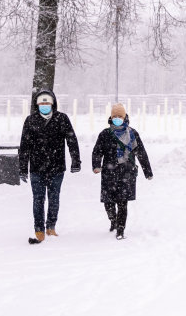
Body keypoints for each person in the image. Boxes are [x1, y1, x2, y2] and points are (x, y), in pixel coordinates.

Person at [19, 89, 81, 244]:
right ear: (37, 104)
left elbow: (71, 140)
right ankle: (39, 229)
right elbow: (24, 145)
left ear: (53, 104)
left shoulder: (62, 119)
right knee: (38, 199)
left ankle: (51, 227)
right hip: (36, 168)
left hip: (57, 167)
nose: (44, 105)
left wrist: (76, 161)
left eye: (47, 102)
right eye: (42, 103)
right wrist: (22, 168)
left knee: (54, 198)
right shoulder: (30, 120)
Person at [92, 103, 153, 240]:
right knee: (108, 202)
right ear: (111, 117)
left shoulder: (132, 133)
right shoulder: (105, 134)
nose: (117, 118)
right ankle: (112, 219)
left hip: (127, 172)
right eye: (115, 116)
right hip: (109, 172)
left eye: (120, 116)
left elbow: (141, 152)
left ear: (125, 117)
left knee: (122, 202)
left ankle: (120, 229)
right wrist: (96, 165)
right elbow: (97, 151)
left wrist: (147, 171)